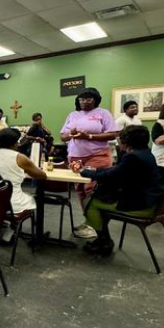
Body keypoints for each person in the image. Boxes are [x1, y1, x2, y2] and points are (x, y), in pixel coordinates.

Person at [78, 125, 164, 255]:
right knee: (102, 200)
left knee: (90, 202)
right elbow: (118, 170)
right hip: (153, 202)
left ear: (125, 142)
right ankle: (102, 239)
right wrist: (96, 170)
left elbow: (110, 176)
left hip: (141, 207)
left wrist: (84, 172)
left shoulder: (132, 157)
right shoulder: (145, 153)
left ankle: (104, 241)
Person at [60, 88, 118, 238]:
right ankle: (90, 221)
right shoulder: (73, 115)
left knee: (92, 189)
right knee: (80, 189)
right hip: (75, 157)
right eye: (82, 99)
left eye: (88, 99)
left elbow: (112, 134)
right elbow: (63, 136)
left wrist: (89, 136)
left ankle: (98, 225)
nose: (84, 102)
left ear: (95, 100)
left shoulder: (103, 113)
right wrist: (70, 134)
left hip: (97, 155)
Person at [0, 128, 48, 241]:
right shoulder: (19, 157)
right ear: (14, 144)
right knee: (32, 198)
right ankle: (13, 227)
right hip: (11, 203)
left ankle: (4, 226)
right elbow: (42, 175)